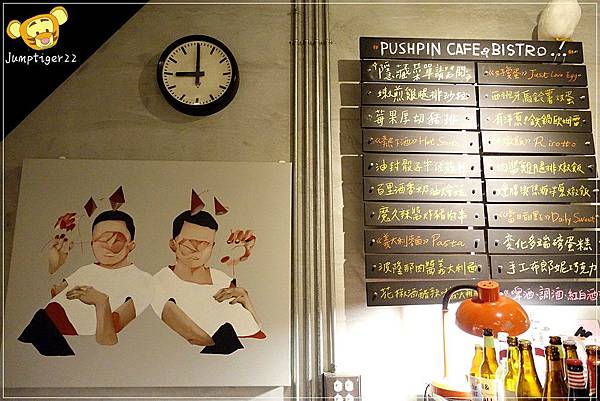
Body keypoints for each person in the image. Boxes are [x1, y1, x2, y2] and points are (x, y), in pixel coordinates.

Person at [19, 210, 153, 356]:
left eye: (117, 240)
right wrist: (54, 266)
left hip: (67, 346)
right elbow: (53, 294)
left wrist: (101, 302)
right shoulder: (86, 270)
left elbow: (108, 340)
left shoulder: (142, 281)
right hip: (38, 332)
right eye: (101, 240)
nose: (108, 246)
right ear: (92, 244)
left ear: (131, 245)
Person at [151, 210, 265, 355]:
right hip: (220, 358)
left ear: (212, 246)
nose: (196, 250)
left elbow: (258, 329)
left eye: (205, 244)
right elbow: (196, 338)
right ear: (173, 244)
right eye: (188, 243)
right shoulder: (161, 281)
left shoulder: (221, 278)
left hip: (258, 354)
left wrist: (246, 299)